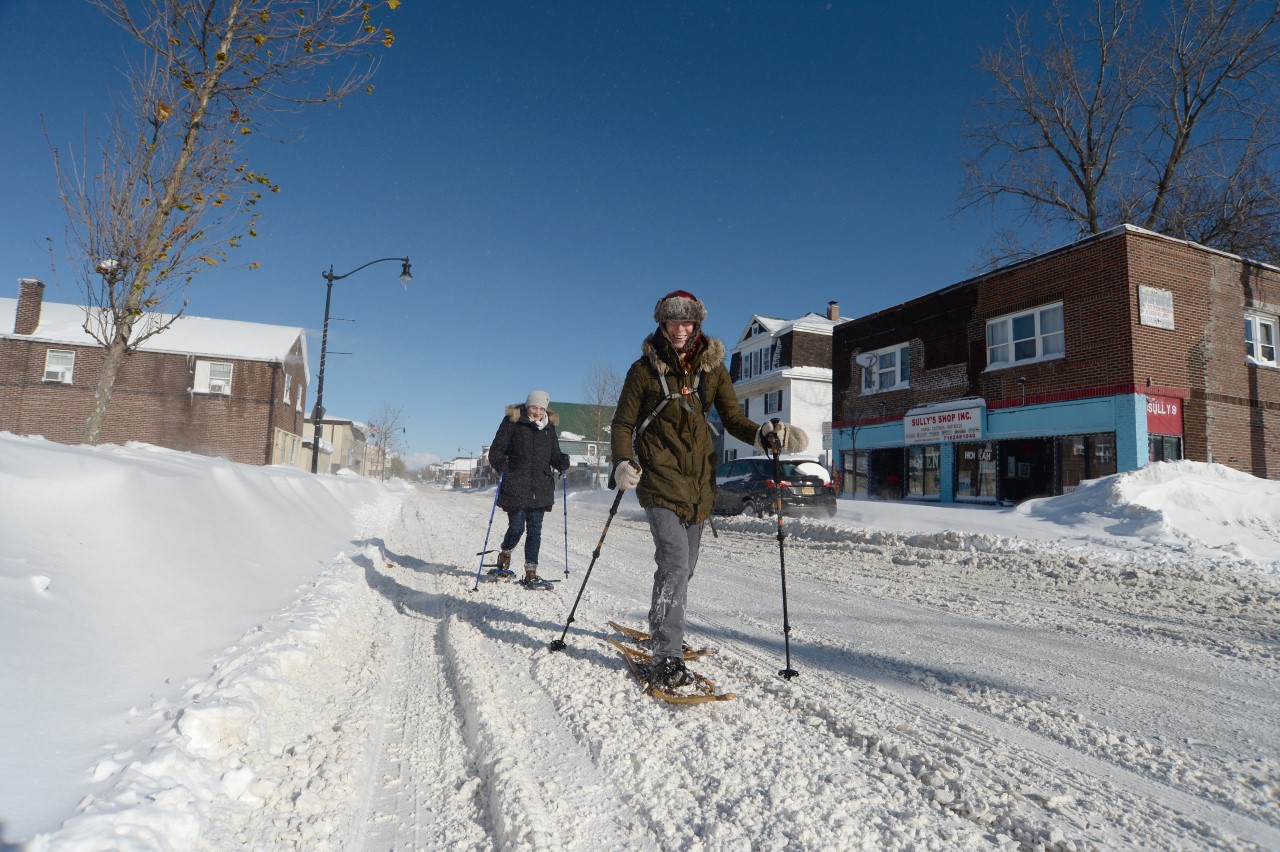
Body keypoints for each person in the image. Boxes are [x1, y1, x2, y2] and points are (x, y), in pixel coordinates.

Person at [610, 290, 808, 689]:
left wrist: (764, 433)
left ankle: (663, 625)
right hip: (659, 481)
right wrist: (620, 462)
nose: (680, 330)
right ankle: (667, 653)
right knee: (675, 562)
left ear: (696, 324)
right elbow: (622, 424)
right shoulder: (643, 370)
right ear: (662, 324)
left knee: (684, 569)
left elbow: (733, 418)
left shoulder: (713, 369)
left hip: (700, 485)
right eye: (672, 322)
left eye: (687, 322)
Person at [488, 390, 571, 587]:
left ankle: (531, 572)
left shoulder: (549, 429)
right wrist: (506, 468)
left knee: (535, 531)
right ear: (527, 407)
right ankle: (505, 555)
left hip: (540, 487)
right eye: (534, 407)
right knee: (516, 528)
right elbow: (496, 451)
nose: (537, 412)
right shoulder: (512, 422)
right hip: (516, 486)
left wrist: (562, 461)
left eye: (542, 408)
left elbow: (554, 455)